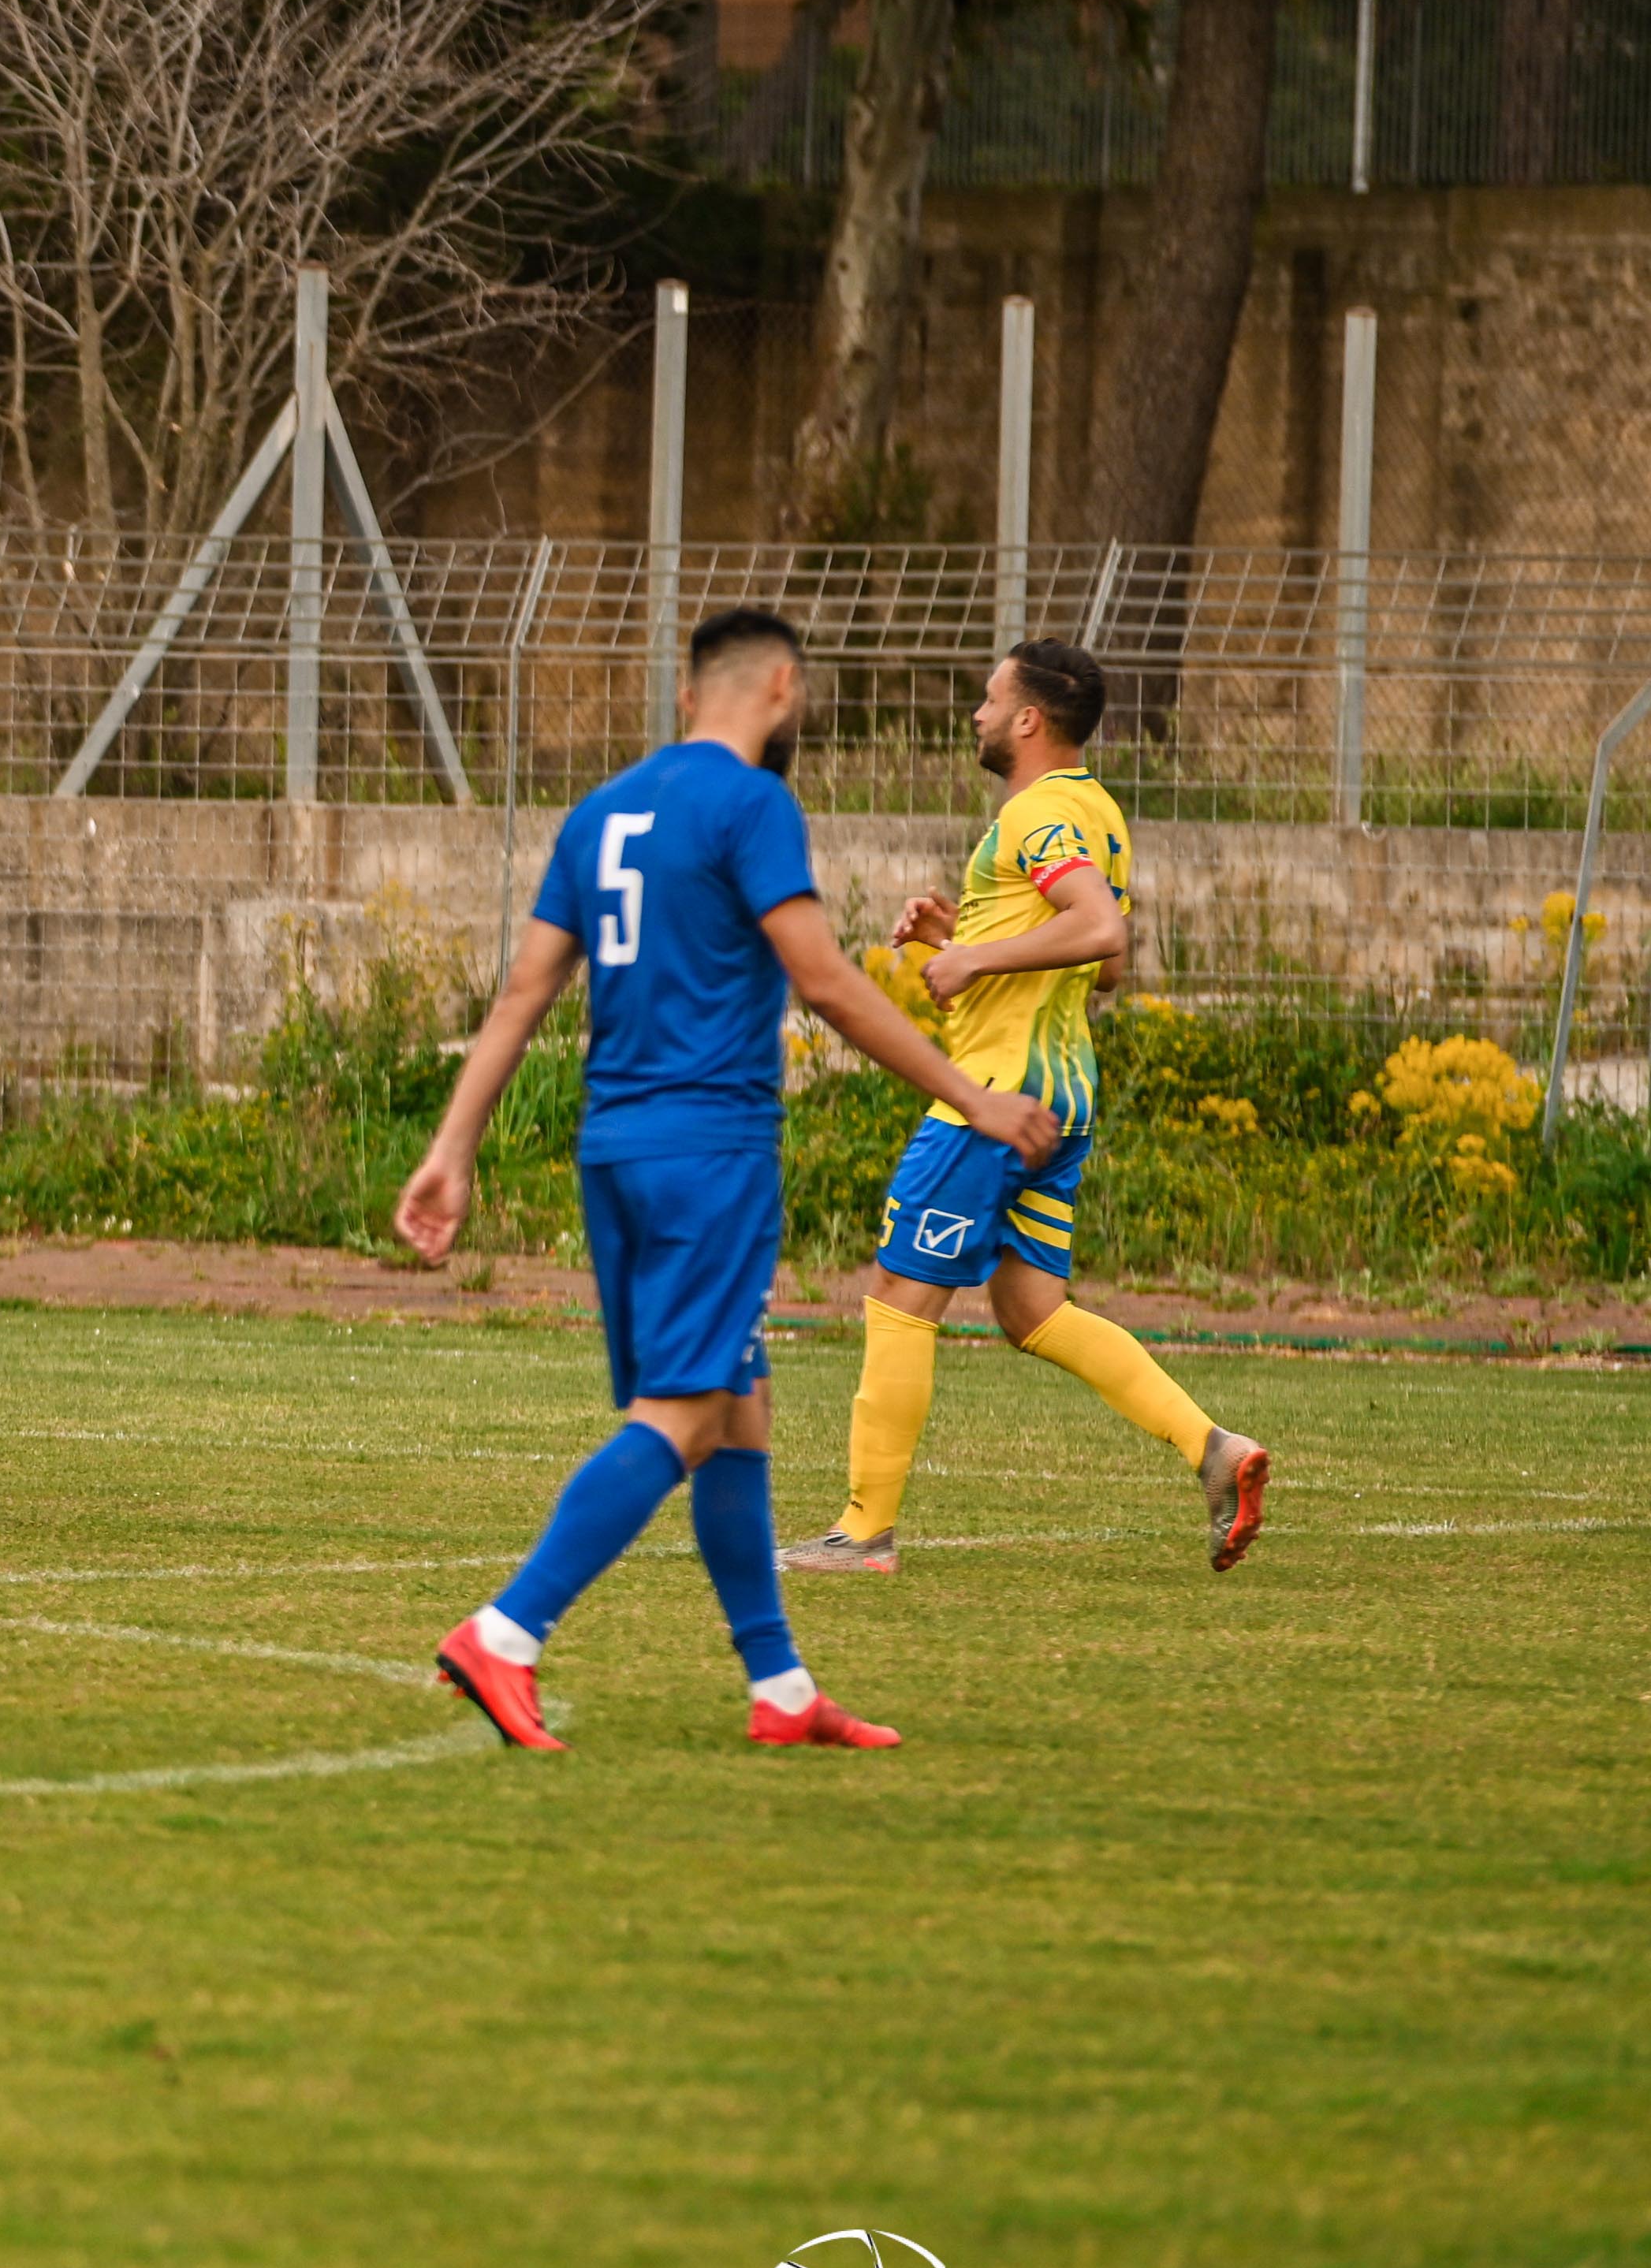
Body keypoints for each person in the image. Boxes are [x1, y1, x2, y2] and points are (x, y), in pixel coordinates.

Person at [397, 609, 1060, 1756]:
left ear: (686, 696)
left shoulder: (601, 811)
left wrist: (452, 1150)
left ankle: (782, 1688)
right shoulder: (753, 804)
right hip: (709, 1155)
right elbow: (827, 982)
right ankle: (505, 1632)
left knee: (739, 1412)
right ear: (783, 688)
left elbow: (522, 994)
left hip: (616, 1151)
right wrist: (976, 1097)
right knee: (689, 1410)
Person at [784, 639, 1275, 1576]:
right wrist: (963, 934)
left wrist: (973, 957)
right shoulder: (1098, 812)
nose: (976, 713)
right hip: (1066, 1091)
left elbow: (1098, 928)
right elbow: (1107, 965)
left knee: (898, 1294)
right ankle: (1213, 1447)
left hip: (998, 1095)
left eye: (989, 698)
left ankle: (863, 1532)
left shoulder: (1035, 811)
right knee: (1030, 1307)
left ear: (1027, 719)